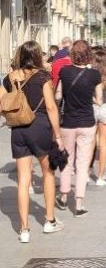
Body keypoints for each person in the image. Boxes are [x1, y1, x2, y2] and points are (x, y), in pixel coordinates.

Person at [1, 41, 64, 242]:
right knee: (48, 173)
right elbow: (52, 108)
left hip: (18, 130)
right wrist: (58, 135)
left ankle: (24, 230)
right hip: (41, 127)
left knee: (23, 179)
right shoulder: (43, 76)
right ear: (37, 55)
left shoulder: (10, 78)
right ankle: (50, 221)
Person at [56, 40, 102, 218]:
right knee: (83, 164)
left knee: (67, 161)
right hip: (87, 123)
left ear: (73, 54)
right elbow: (98, 100)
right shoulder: (94, 75)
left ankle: (63, 195)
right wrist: (87, 97)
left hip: (68, 122)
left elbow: (58, 95)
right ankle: (79, 203)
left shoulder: (64, 72)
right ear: (88, 54)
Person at [92, 50, 106, 186]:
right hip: (105, 107)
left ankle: (87, 171)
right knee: (104, 142)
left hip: (92, 108)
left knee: (89, 141)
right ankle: (100, 176)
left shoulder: (90, 75)